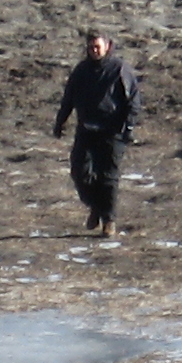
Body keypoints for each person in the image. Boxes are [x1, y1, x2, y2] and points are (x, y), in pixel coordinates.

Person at [53, 31, 141, 235]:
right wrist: (60, 122)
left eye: (97, 47)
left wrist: (127, 127)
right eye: (91, 47)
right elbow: (69, 98)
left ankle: (109, 220)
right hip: (86, 129)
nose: (94, 51)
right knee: (79, 172)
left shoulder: (119, 69)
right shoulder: (81, 70)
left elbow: (133, 102)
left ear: (107, 46)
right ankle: (96, 206)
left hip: (113, 130)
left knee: (108, 176)